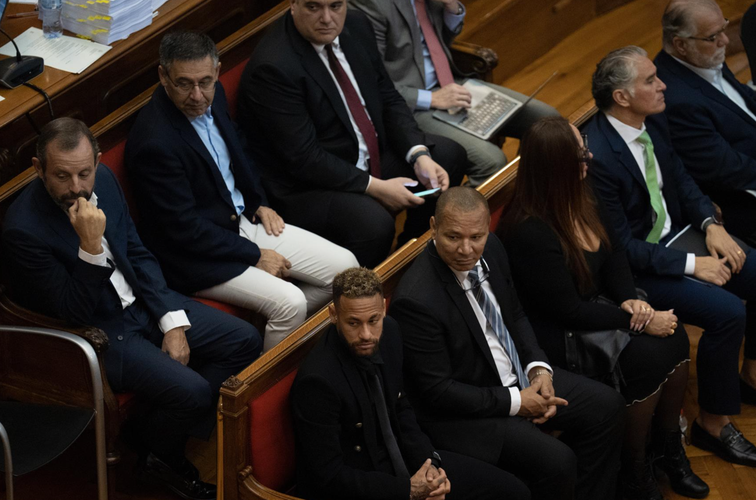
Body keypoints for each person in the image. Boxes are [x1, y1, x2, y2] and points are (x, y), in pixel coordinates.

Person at [1, 118, 262, 500]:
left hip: (143, 303)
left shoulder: (104, 180)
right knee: (194, 393)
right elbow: (74, 310)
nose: (76, 189)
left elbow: (137, 253)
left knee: (244, 341)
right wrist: (89, 249)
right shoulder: (23, 230)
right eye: (61, 176)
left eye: (84, 174)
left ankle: (149, 438)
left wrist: (171, 321)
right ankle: (164, 456)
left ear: (98, 162)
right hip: (102, 331)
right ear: (39, 169)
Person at [585, 46, 756, 470]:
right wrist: (692, 265)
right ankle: (713, 423)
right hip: (644, 266)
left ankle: (754, 377)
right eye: (650, 80)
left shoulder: (652, 120)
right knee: (725, 312)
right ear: (622, 97)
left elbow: (681, 179)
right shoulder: (599, 156)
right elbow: (622, 247)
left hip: (684, 235)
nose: (663, 83)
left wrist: (709, 223)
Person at [496, 116, 706, 500]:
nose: (589, 157)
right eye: (580, 154)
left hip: (602, 309)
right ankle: (634, 470)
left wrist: (629, 297)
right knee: (646, 358)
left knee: (674, 341)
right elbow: (568, 311)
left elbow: (616, 255)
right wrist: (637, 321)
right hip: (562, 335)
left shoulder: (583, 190)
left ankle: (669, 452)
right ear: (556, 166)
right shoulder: (529, 230)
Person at [388, 186, 626, 500]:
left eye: (476, 237)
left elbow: (514, 313)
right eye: (453, 237)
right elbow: (438, 393)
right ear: (433, 228)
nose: (466, 250)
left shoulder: (493, 248)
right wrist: (517, 401)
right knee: (558, 461)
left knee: (607, 406)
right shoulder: (416, 300)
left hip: (517, 376)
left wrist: (539, 370)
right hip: (469, 413)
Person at [126, 32, 358, 351]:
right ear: (163, 76)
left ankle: (279, 334)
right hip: (194, 256)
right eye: (184, 83)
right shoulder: (154, 142)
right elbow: (183, 229)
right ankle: (257, 390)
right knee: (289, 303)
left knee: (345, 269)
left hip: (240, 220)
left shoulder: (214, 93)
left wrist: (258, 202)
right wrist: (255, 256)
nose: (197, 95)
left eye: (205, 81)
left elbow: (239, 151)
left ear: (218, 72)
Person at [237, 0, 467, 268]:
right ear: (294, 5)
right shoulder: (273, 67)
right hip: (308, 187)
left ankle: (414, 256)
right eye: (314, 7)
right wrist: (376, 187)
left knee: (448, 156)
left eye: (335, 6)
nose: (327, 18)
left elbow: (388, 97)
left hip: (365, 155)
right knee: (373, 225)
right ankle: (369, 285)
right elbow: (304, 159)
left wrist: (419, 155)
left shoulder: (356, 26)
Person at [291, 267, 531, 500]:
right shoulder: (317, 381)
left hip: (406, 460)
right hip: (366, 484)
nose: (366, 334)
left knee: (513, 491)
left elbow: (400, 407)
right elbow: (330, 477)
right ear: (333, 314)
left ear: (384, 307)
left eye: (373, 320)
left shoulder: (391, 334)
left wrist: (430, 466)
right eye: (353, 323)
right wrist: (407, 491)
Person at [653, 0, 756, 315]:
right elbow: (725, 167)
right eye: (714, 36)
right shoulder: (677, 97)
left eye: (724, 29)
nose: (725, 42)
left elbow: (750, 100)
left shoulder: (704, 56)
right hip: (745, 199)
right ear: (680, 44)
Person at [348, 0, 559, 187]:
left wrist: (452, 7)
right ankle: (463, 222)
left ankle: (530, 199)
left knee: (547, 120)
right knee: (492, 162)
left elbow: (440, 39)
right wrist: (432, 98)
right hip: (413, 104)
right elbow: (373, 82)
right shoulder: (371, 4)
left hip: (453, 84)